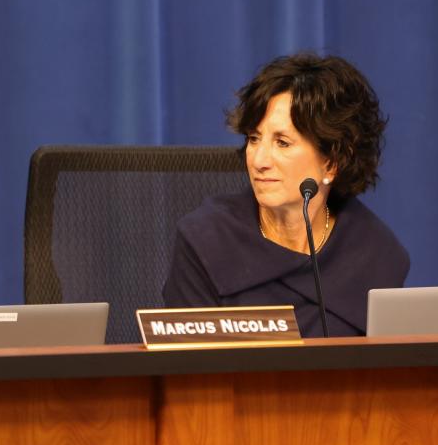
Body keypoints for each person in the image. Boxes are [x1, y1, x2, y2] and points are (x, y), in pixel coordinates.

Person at [162, 53, 409, 336]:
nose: (259, 160)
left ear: (331, 162)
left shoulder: (373, 252)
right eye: (254, 139)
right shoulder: (207, 240)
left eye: (282, 142)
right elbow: (185, 371)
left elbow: (388, 373)